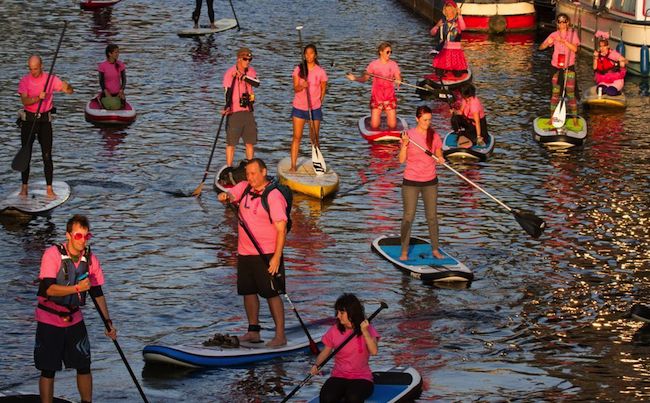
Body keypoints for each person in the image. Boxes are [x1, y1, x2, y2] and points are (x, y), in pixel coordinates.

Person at [34, 214, 117, 403]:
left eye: (86, 236)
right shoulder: (52, 255)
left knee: (84, 365)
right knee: (48, 368)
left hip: (74, 319)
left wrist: (108, 323)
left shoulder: (90, 259)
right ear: (69, 235)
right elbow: (48, 289)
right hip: (49, 319)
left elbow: (97, 292)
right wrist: (77, 288)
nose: (82, 240)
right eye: (78, 236)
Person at [217, 158, 287, 347]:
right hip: (245, 252)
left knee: (271, 294)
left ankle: (280, 336)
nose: (250, 177)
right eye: (248, 174)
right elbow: (230, 195)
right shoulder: (244, 187)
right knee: (248, 291)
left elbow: (282, 229)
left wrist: (276, 258)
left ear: (264, 172)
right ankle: (253, 332)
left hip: (267, 254)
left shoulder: (273, 196)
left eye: (254, 173)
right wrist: (225, 197)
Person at [17, 54, 74, 197]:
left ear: (41, 66)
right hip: (29, 121)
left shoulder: (50, 79)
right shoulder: (25, 81)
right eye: (30, 69)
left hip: (44, 122)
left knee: (47, 156)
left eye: (35, 69)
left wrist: (66, 86)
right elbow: (24, 101)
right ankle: (24, 188)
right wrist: (38, 97)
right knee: (26, 155)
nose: (33, 72)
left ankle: (49, 189)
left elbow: (69, 91)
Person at [309, 293, 379, 403]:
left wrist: (364, 331)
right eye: (337, 312)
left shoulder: (368, 328)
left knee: (353, 398)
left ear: (352, 313)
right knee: (326, 397)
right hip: (338, 375)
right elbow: (325, 352)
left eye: (341, 313)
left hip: (362, 378)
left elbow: (374, 351)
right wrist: (316, 365)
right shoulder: (334, 330)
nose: (337, 316)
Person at [399, 105, 445, 260]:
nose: (427, 123)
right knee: (408, 216)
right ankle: (404, 252)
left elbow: (438, 153)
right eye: (424, 120)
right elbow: (401, 160)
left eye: (429, 120)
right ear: (417, 119)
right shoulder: (408, 135)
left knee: (432, 217)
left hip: (430, 182)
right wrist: (405, 145)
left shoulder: (435, 136)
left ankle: (436, 250)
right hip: (411, 181)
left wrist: (440, 158)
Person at [346, 42, 402, 131]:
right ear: (381, 52)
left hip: (389, 96)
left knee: (392, 126)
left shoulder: (393, 64)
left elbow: (398, 77)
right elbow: (365, 78)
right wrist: (354, 78)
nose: (389, 54)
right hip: (377, 97)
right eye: (387, 52)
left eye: (391, 52)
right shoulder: (373, 65)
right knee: (374, 126)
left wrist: (398, 81)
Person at [290, 44, 328, 172]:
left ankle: (318, 166)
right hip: (299, 108)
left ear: (315, 55)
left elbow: (323, 88)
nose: (308, 56)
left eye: (311, 53)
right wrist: (302, 86)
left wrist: (319, 102)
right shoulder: (299, 69)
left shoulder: (320, 71)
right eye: (306, 53)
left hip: (314, 108)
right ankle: (293, 165)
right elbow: (295, 88)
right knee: (297, 137)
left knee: (314, 138)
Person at [538, 13, 580, 125]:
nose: (562, 24)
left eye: (564, 21)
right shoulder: (553, 34)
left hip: (568, 68)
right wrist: (548, 43)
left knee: (570, 94)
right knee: (555, 94)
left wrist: (565, 42)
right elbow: (541, 47)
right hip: (556, 68)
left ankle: (575, 119)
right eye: (560, 22)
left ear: (567, 23)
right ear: (557, 23)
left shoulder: (572, 34)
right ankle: (552, 118)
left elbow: (575, 49)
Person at [223, 47, 258, 167]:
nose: (247, 62)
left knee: (249, 143)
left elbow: (257, 83)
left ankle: (250, 167)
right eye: (245, 59)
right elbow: (227, 92)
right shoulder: (229, 73)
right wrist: (226, 107)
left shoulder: (251, 72)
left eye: (249, 59)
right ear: (239, 59)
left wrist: (244, 77)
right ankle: (229, 168)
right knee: (231, 143)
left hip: (248, 111)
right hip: (234, 112)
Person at [430, 0, 468, 77]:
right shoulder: (442, 20)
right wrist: (437, 26)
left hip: (455, 51)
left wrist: (460, 15)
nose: (448, 12)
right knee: (439, 72)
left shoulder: (458, 21)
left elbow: (463, 28)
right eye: (446, 10)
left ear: (454, 10)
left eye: (450, 10)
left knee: (457, 74)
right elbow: (432, 33)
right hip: (443, 50)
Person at [592, 31, 626, 96]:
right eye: (600, 46)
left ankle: (618, 92)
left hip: (615, 79)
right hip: (604, 80)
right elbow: (594, 68)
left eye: (604, 46)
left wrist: (620, 62)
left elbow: (623, 61)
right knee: (600, 90)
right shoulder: (598, 54)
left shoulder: (612, 54)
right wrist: (595, 58)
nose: (602, 48)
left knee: (610, 92)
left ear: (608, 46)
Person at [97, 44, 126, 110]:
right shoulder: (102, 66)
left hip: (118, 93)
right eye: (116, 52)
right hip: (107, 93)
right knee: (112, 106)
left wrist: (121, 90)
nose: (118, 54)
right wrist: (105, 92)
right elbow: (101, 81)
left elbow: (124, 79)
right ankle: (100, 98)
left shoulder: (120, 64)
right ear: (110, 54)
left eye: (118, 52)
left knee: (120, 106)